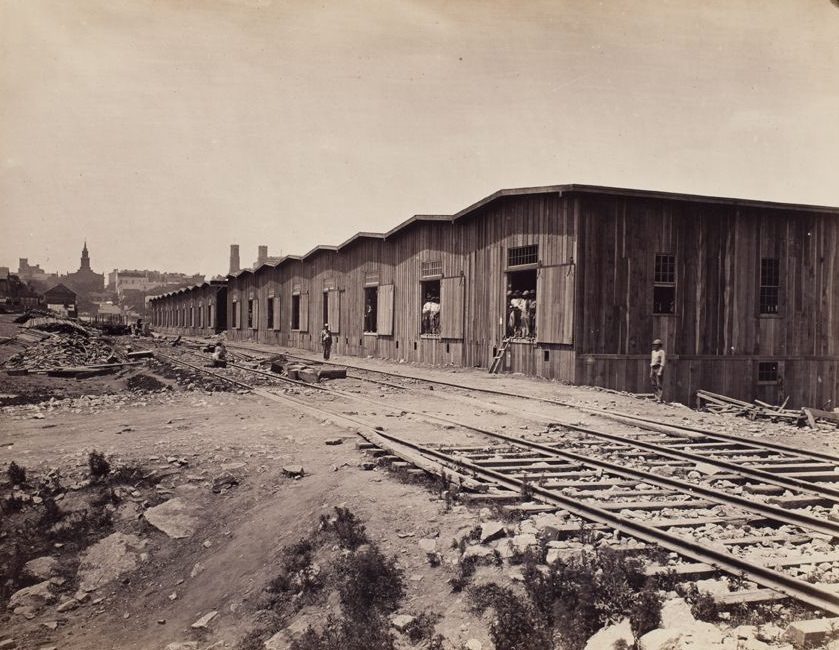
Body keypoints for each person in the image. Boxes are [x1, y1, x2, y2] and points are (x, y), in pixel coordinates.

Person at [650, 338, 666, 402]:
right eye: (654, 345)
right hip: (653, 367)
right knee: (653, 382)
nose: (654, 346)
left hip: (658, 368)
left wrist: (660, 371)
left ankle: (660, 398)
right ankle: (656, 396)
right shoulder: (653, 352)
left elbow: (663, 362)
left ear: (659, 345)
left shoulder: (662, 352)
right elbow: (652, 361)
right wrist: (651, 370)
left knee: (659, 383)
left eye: (656, 345)